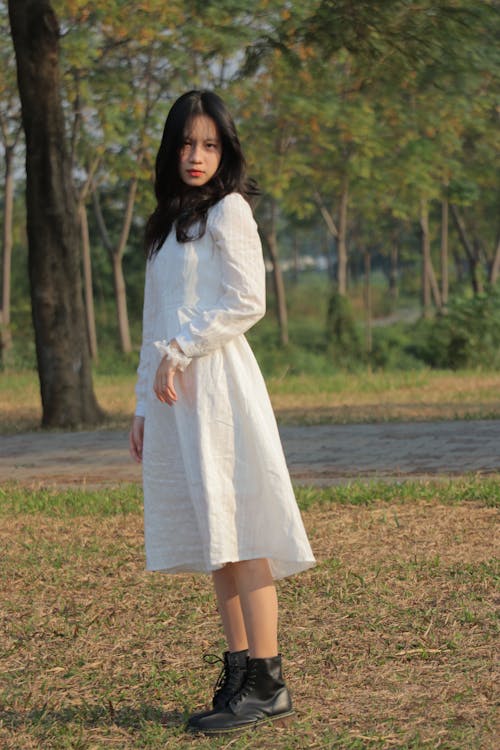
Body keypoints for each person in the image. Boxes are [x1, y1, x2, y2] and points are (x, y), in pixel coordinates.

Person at [129, 90, 315, 736]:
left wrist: (183, 350)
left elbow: (248, 300)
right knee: (218, 539)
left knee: (245, 533)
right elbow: (153, 324)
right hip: (178, 401)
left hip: (222, 390)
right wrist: (142, 408)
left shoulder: (230, 213)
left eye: (209, 144)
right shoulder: (167, 224)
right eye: (186, 143)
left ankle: (269, 679)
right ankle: (238, 673)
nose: (196, 155)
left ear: (225, 150)